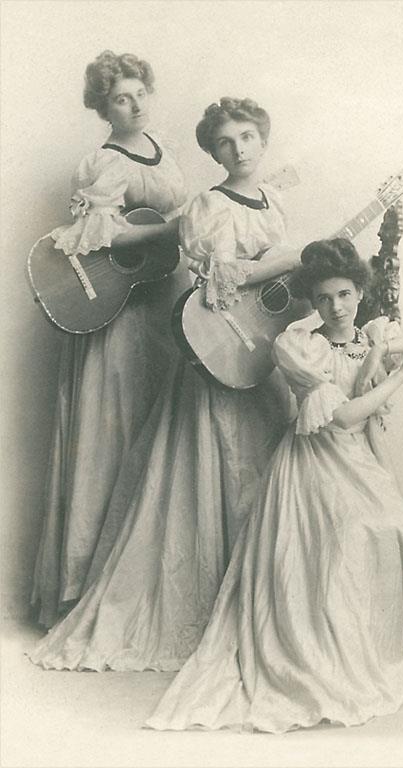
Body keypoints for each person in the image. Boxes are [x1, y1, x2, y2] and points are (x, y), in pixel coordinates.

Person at [29, 97, 300, 671]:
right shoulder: (207, 206)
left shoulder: (274, 199)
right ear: (213, 153)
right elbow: (225, 280)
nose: (239, 150)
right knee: (210, 470)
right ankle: (204, 601)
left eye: (248, 137)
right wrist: (292, 259)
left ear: (263, 140)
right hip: (218, 346)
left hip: (255, 348)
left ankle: (260, 603)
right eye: (225, 142)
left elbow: (270, 276)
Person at [145, 237, 403, 733]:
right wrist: (400, 375)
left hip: (358, 460)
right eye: (324, 299)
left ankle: (368, 648)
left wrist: (382, 349)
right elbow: (344, 417)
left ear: (360, 293)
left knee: (393, 528)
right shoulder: (299, 347)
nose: (337, 308)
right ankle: (325, 659)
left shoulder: (370, 336)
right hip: (313, 463)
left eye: (345, 295)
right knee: (344, 539)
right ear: (312, 302)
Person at [31, 50, 189, 629]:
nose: (136, 104)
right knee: (114, 428)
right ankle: (91, 585)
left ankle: (152, 579)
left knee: (162, 423)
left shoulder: (163, 148)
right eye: (121, 98)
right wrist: (172, 228)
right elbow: (102, 239)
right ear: (104, 108)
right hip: (121, 309)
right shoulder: (103, 162)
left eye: (140, 92)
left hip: (164, 297)